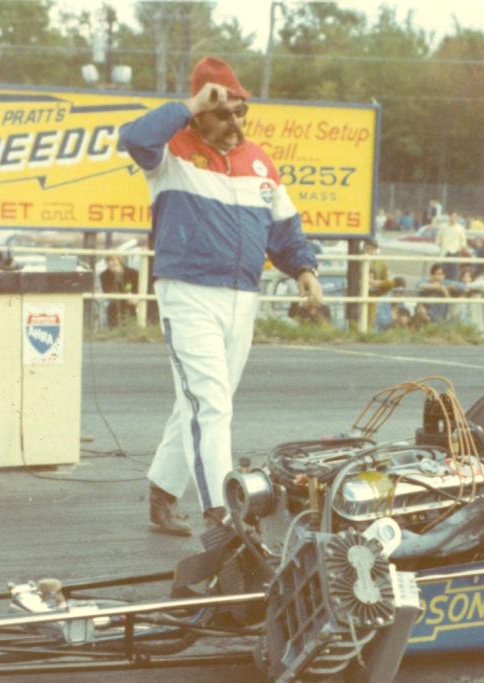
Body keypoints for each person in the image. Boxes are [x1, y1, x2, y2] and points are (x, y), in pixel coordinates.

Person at [119, 56, 322, 536]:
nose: (235, 122)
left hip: (242, 297)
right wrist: (189, 105)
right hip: (188, 292)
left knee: (203, 402)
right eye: (223, 113)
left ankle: (163, 493)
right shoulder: (169, 152)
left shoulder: (259, 161)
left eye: (240, 111)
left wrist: (304, 269)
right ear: (199, 114)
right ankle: (223, 515)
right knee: (210, 404)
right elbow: (132, 137)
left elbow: (284, 228)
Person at [99, 255, 140, 327]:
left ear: (119, 260)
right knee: (112, 308)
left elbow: (137, 288)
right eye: (108, 261)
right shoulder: (104, 275)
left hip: (132, 303)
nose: (110, 263)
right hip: (115, 304)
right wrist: (117, 276)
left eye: (113, 260)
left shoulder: (133, 273)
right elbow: (107, 291)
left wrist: (134, 297)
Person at [436, 211, 467, 278]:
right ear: (449, 217)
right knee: (443, 274)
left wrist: (458, 251)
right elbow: (438, 241)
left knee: (454, 275)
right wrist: (444, 249)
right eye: (452, 217)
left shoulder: (460, 228)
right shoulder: (443, 227)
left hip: (455, 255)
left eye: (455, 217)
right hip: (444, 254)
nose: (453, 218)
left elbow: (463, 243)